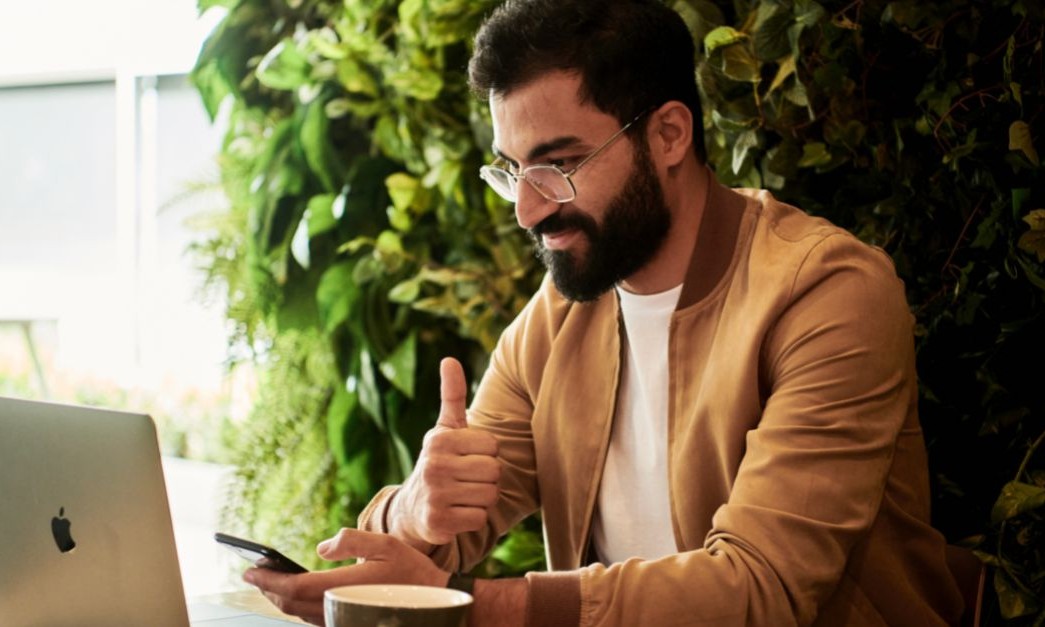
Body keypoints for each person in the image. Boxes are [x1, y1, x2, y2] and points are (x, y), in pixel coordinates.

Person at [244, 0, 966, 625]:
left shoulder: (825, 292)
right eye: (511, 170)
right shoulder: (559, 315)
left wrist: (468, 605)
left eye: (558, 165)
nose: (528, 208)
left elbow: (761, 589)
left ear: (669, 135)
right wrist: (419, 510)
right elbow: (430, 541)